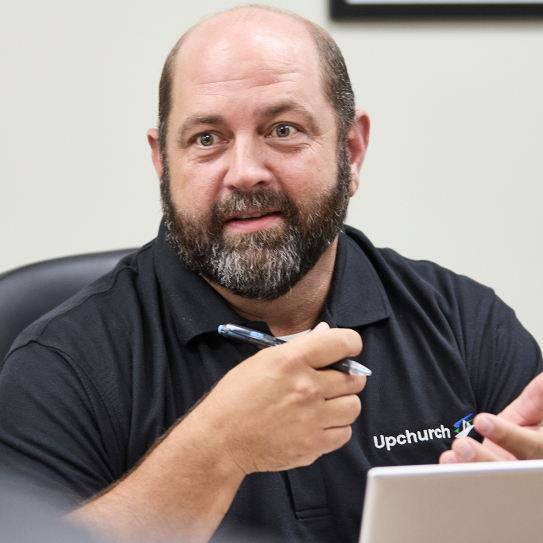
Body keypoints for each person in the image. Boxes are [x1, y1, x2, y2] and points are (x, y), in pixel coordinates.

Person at [0, 5, 542, 543]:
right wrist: (218, 449)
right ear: (163, 162)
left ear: (350, 151)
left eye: (283, 130)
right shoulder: (62, 365)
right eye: (207, 139)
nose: (245, 173)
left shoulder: (467, 326)